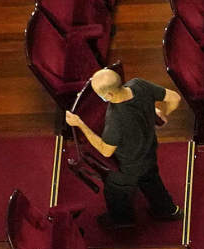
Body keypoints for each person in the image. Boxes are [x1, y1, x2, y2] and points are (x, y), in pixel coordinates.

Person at [64, 69, 184, 228]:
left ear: (109, 95)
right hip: (149, 148)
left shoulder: (115, 121)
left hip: (129, 165)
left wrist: (80, 124)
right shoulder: (138, 84)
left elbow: (106, 150)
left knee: (115, 190)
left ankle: (122, 220)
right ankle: (167, 210)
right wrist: (160, 115)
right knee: (150, 178)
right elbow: (174, 98)